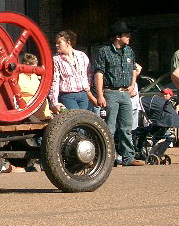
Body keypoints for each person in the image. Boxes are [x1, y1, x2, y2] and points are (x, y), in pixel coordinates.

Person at [94, 21, 144, 166]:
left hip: (125, 94)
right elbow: (99, 73)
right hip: (111, 92)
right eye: (126, 34)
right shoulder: (104, 51)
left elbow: (134, 68)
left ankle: (128, 157)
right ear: (117, 37)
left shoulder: (129, 51)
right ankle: (108, 158)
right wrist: (100, 95)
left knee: (126, 127)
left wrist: (132, 84)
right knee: (109, 127)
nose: (128, 37)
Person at [49, 30, 95, 113]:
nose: (56, 45)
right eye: (56, 43)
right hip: (67, 96)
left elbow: (89, 73)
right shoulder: (56, 59)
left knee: (83, 120)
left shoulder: (82, 56)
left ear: (68, 43)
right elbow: (54, 81)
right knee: (74, 120)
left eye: (59, 43)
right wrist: (54, 102)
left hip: (83, 95)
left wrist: (87, 86)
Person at [18, 53, 51, 120]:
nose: (35, 70)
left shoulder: (34, 76)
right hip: (27, 110)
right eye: (33, 67)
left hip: (41, 109)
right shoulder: (19, 77)